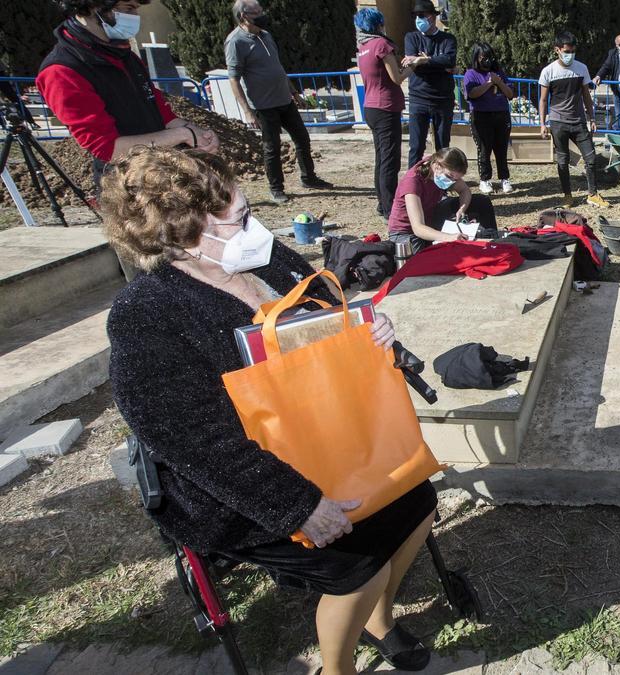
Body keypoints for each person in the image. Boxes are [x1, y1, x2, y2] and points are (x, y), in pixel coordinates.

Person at [102, 146, 437, 675]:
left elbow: (328, 323)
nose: (255, 228)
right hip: (245, 486)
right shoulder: (146, 314)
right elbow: (188, 439)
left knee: (417, 501)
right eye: (239, 219)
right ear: (183, 236)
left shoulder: (265, 257)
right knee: (360, 561)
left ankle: (379, 620)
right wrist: (298, 506)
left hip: (326, 435)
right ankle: (338, 667)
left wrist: (372, 334)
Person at [36, 0, 218, 191]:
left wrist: (197, 133)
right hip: (127, 186)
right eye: (128, 8)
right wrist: (182, 134)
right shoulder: (61, 71)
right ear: (93, 7)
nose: (135, 17)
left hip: (161, 172)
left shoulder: (125, 56)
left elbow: (162, 113)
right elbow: (108, 149)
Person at [225, 0, 332, 205]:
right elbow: (234, 79)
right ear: (243, 16)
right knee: (271, 147)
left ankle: (308, 178)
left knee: (302, 138)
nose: (261, 15)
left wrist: (294, 92)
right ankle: (276, 188)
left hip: (284, 99)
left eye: (260, 11)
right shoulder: (235, 41)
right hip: (263, 105)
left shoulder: (266, 36)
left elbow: (278, 68)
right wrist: (247, 111)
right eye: (255, 13)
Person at [538, 31, 610, 209]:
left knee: (591, 157)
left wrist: (591, 118)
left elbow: (586, 95)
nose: (570, 55)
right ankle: (567, 196)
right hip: (558, 122)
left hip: (578, 122)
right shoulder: (548, 71)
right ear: (557, 50)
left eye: (572, 51)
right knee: (563, 161)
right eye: (566, 51)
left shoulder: (581, 68)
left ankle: (592, 194)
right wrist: (542, 124)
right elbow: (542, 99)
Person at [355, 8, 412, 218]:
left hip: (371, 107)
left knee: (381, 158)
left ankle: (382, 203)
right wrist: (414, 66)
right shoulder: (381, 44)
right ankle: (390, 209)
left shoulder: (363, 47)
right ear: (378, 24)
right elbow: (396, 78)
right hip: (386, 107)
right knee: (390, 160)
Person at [387, 147, 497, 253]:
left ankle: (494, 242)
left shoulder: (438, 164)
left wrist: (462, 209)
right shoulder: (412, 182)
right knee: (424, 263)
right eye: (450, 177)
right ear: (436, 167)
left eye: (456, 179)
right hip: (406, 232)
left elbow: (465, 190)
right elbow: (418, 228)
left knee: (481, 201)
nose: (452, 182)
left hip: (431, 216)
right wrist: (449, 237)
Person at [403, 0, 457, 169]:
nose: (419, 19)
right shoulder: (411, 37)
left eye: (422, 16)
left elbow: (449, 60)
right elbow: (412, 65)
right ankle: (413, 183)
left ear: (432, 17)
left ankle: (441, 183)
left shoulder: (448, 39)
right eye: (416, 16)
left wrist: (424, 60)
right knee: (416, 145)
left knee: (443, 146)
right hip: (419, 99)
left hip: (443, 99)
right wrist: (438, 65)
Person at [463, 41, 515, 195]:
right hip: (481, 116)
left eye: (490, 56)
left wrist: (499, 81)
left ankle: (504, 178)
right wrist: (489, 83)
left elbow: (510, 94)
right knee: (484, 149)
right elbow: (472, 94)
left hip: (501, 115)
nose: (487, 60)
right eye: (483, 57)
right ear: (477, 57)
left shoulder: (499, 73)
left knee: (501, 148)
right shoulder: (470, 74)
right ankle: (485, 180)